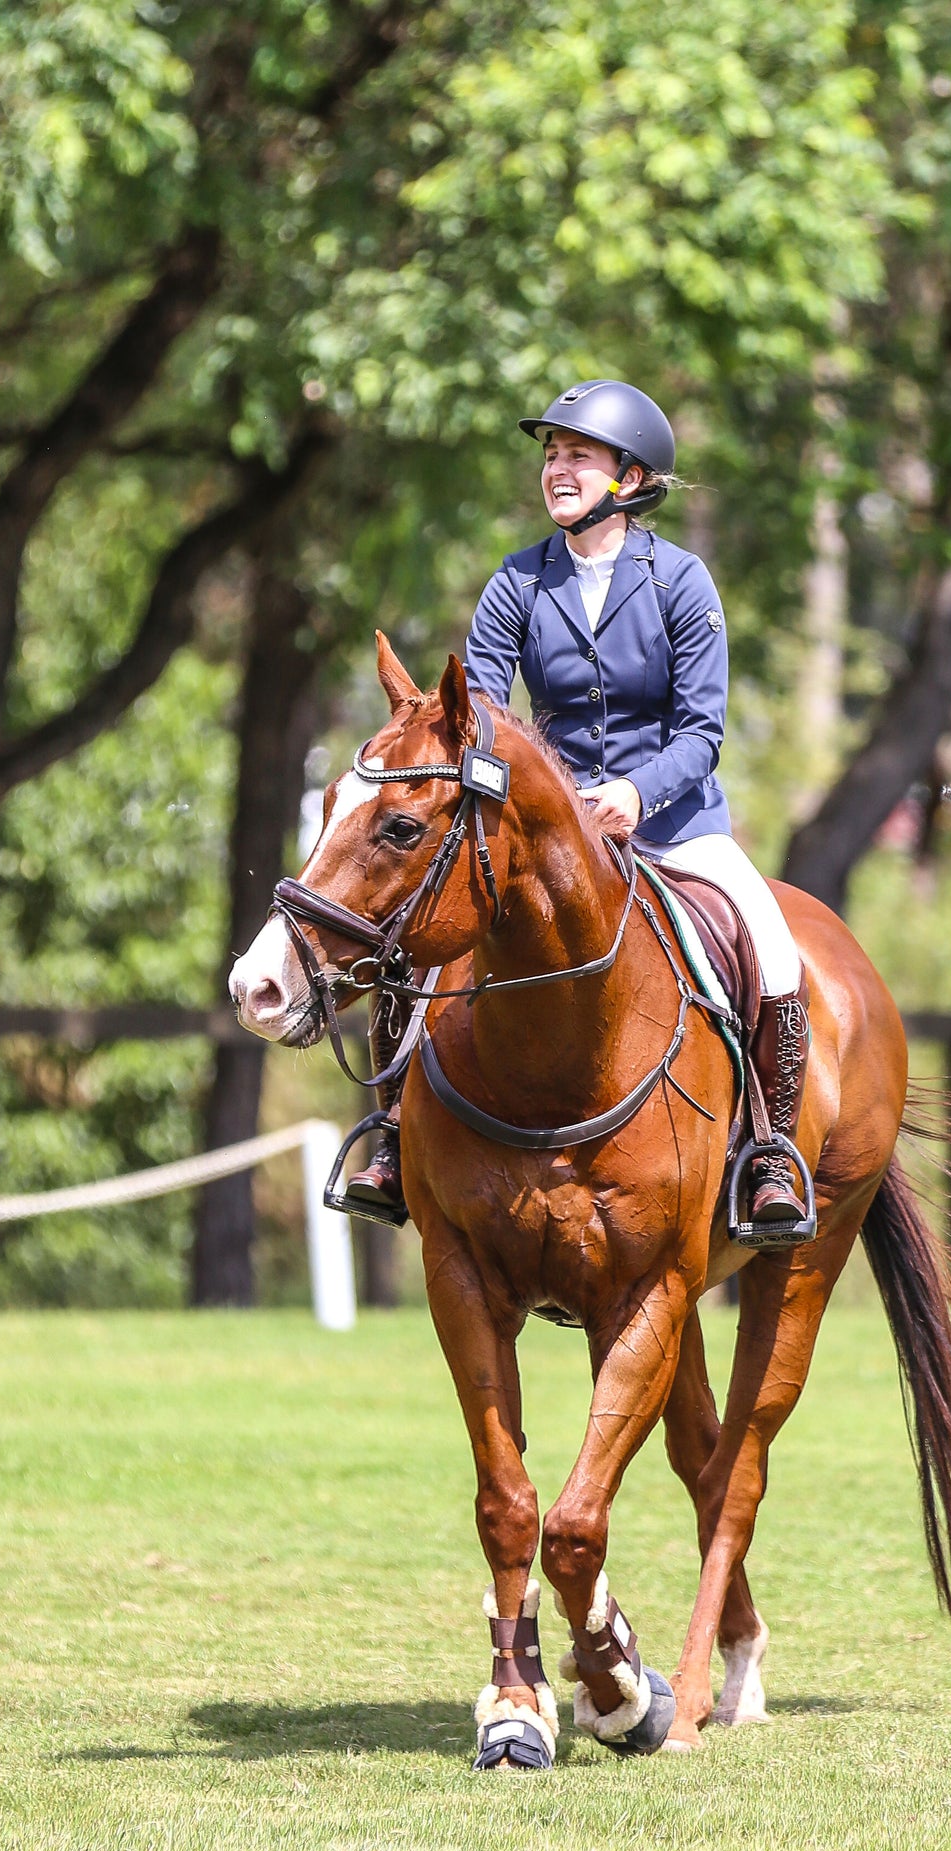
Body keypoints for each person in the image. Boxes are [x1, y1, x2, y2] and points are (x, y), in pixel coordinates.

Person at [343, 378, 812, 1245]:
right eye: (551, 455)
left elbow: (702, 728)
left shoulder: (679, 580)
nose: (556, 469)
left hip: (672, 824)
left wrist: (636, 792)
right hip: (541, 838)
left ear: (629, 477)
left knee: (771, 946)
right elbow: (472, 711)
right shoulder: (518, 581)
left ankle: (772, 1152)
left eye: (577, 456)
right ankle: (390, 1134)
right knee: (414, 932)